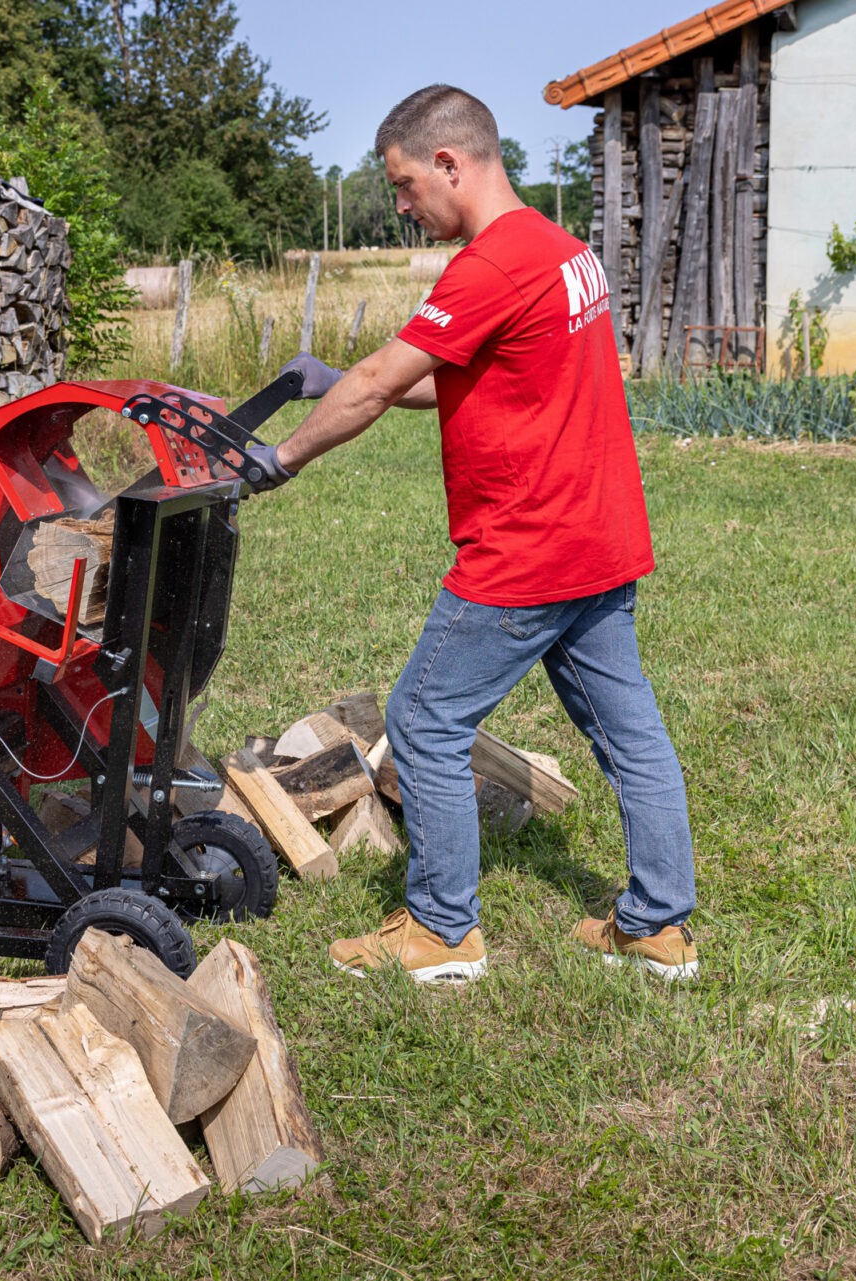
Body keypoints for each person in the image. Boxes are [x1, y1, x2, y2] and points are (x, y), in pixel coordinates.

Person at [245, 84, 698, 983]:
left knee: (424, 719)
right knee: (632, 734)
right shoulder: (562, 251)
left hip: (528, 549)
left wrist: (280, 458)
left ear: (449, 163)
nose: (402, 206)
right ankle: (658, 926)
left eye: (405, 185)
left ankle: (442, 931)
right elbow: (463, 372)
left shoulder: (491, 264)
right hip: (599, 539)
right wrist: (339, 379)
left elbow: (383, 380)